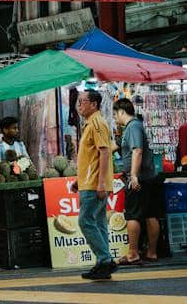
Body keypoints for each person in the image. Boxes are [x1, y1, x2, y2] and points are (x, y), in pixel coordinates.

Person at [72, 89, 115, 281]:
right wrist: (79, 180)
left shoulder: (97, 123)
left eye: (83, 101)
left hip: (94, 184)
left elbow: (104, 152)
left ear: (94, 104)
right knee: (98, 222)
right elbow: (91, 158)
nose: (79, 105)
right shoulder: (90, 123)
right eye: (79, 101)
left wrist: (101, 183)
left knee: (85, 221)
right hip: (89, 182)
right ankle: (103, 263)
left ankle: (105, 260)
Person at [113, 98, 162, 265]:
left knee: (132, 215)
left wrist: (133, 175)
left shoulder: (132, 126)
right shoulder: (135, 126)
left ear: (121, 111)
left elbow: (137, 151)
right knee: (150, 214)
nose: (115, 118)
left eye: (115, 114)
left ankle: (133, 253)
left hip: (139, 179)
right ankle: (151, 253)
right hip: (149, 177)